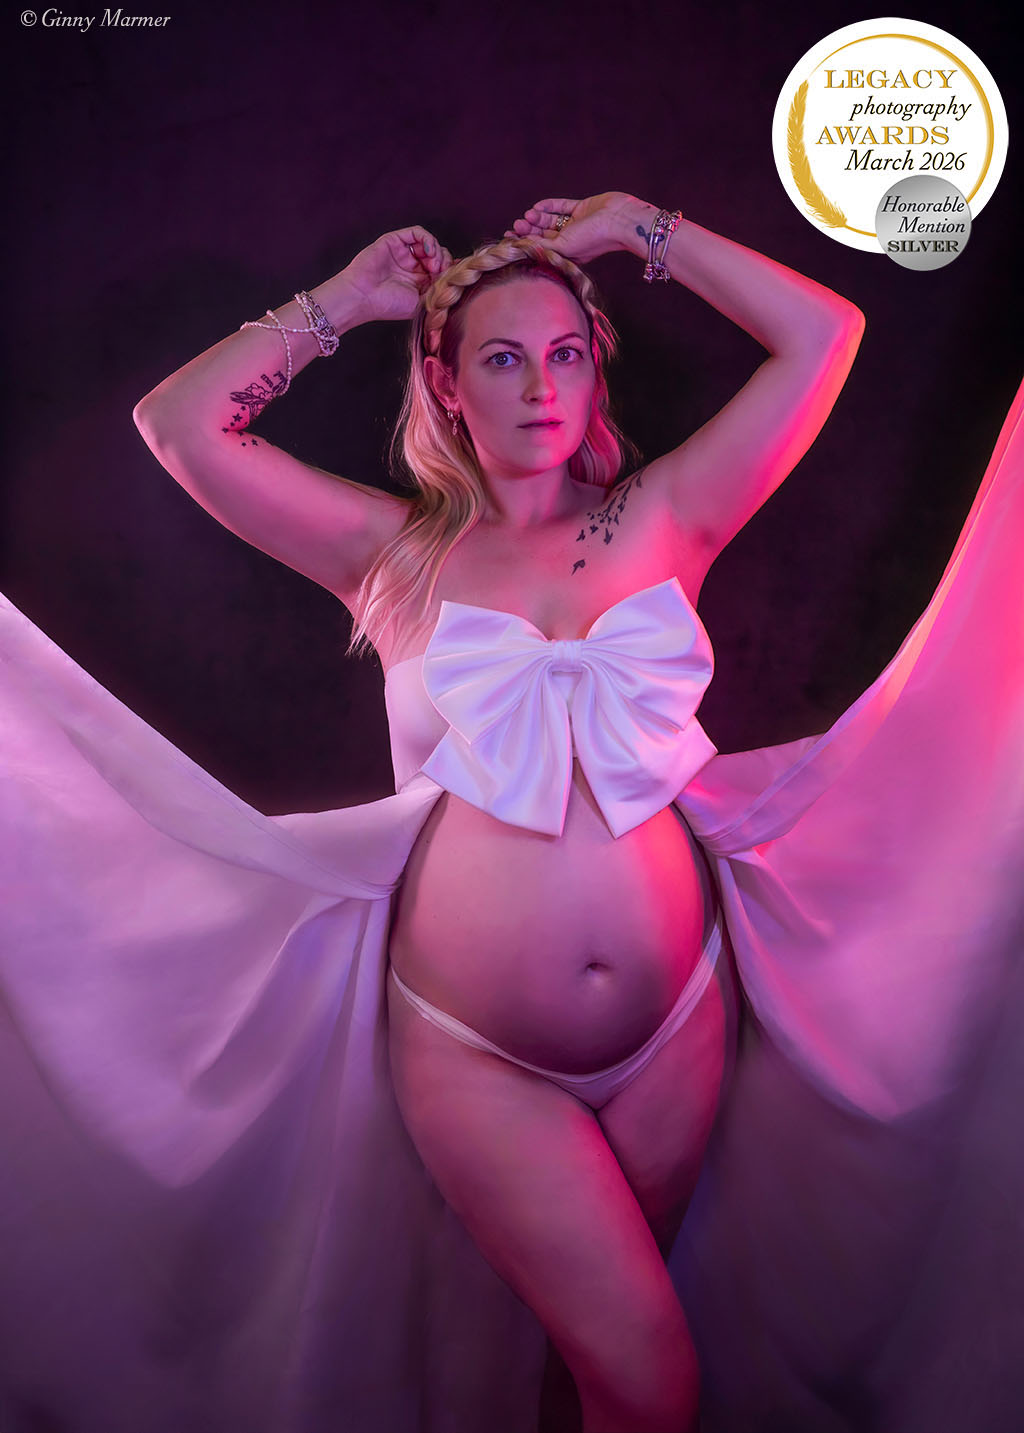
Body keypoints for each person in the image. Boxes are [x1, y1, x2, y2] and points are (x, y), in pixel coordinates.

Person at [1, 193, 1021, 1433]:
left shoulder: (664, 517)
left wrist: (639, 228)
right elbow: (180, 426)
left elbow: (826, 336)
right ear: (444, 383)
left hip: (676, 1022)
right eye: (501, 359)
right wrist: (346, 303)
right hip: (477, 1050)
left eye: (566, 354)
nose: (540, 387)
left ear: (593, 374)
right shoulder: (392, 555)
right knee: (650, 1379)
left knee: (593, 1373)